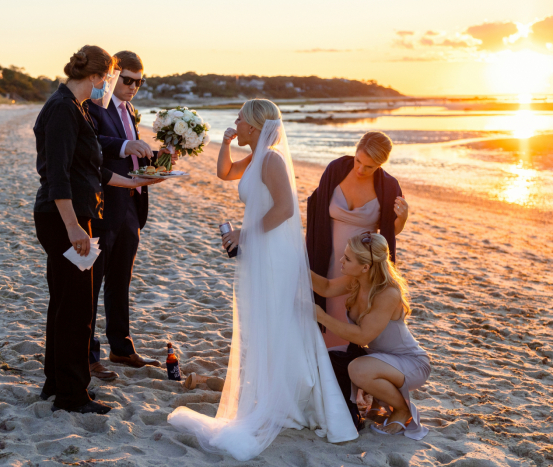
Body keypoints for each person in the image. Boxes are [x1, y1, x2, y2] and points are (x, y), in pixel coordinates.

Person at [167, 99, 358, 461]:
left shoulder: (270, 159)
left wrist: (245, 233)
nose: (235, 122)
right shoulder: (255, 157)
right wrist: (223, 143)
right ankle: (276, 393)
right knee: (267, 323)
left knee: (280, 322)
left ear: (254, 126)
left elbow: (285, 208)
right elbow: (224, 173)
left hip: (274, 254)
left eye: (239, 119)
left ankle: (293, 400)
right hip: (261, 250)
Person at [33, 45, 162, 415]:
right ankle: (73, 395)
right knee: (77, 307)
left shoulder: (74, 109)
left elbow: (92, 170)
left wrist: (136, 182)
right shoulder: (62, 109)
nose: (105, 85)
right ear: (95, 76)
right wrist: (74, 227)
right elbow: (56, 177)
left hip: (77, 214)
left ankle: (56, 383)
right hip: (64, 218)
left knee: (65, 303)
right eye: (106, 78)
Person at [83, 51, 175, 379]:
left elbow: (133, 157)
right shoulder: (93, 105)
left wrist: (158, 157)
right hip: (102, 205)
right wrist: (126, 145)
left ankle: (121, 348)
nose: (134, 87)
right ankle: (87, 354)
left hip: (132, 206)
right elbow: (94, 143)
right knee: (92, 283)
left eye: (140, 81)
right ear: (113, 76)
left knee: (121, 280)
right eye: (128, 80)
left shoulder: (131, 110)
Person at [312, 232, 431, 439]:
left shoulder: (387, 293)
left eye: (347, 258)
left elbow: (362, 336)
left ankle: (402, 410)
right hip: (379, 358)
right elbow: (326, 287)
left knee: (358, 369)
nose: (341, 260)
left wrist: (322, 317)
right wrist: (292, 265)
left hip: (411, 363)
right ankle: (376, 401)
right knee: (331, 357)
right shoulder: (357, 281)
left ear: (366, 267)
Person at [306, 131, 409, 349]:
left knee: (347, 320)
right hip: (326, 258)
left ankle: (343, 371)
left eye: (369, 166)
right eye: (358, 161)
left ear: (381, 164)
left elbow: (389, 234)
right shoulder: (335, 170)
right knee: (319, 313)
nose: (360, 169)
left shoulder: (389, 186)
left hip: (361, 267)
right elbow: (317, 213)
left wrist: (403, 219)